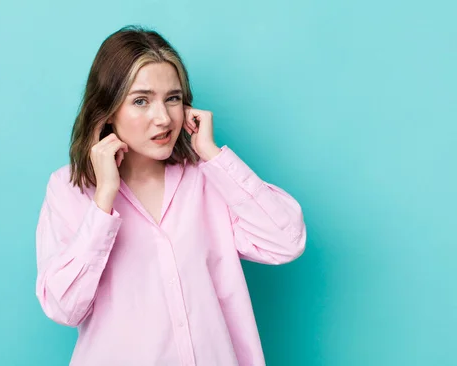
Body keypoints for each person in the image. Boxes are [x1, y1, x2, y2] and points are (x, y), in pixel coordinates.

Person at [35, 25, 306, 366]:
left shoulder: (208, 179)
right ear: (108, 110)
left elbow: (286, 241)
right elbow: (63, 307)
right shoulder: (68, 189)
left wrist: (212, 154)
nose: (163, 118)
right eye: (141, 101)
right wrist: (104, 199)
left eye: (173, 98)